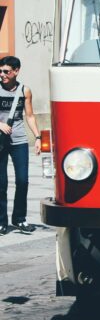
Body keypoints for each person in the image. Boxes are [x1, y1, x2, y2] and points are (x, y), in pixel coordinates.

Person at [0, 56, 41, 235]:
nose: (2, 75)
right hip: (1, 142)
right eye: (0, 71)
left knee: (23, 181)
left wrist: (38, 137)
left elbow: (30, 116)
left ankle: (19, 219)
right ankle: (2, 222)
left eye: (6, 71)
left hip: (19, 141)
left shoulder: (25, 91)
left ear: (16, 71)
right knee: (1, 183)